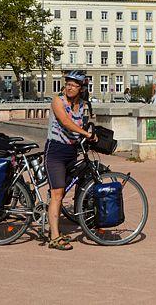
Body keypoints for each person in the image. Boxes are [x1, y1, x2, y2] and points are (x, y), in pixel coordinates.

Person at [45, 70, 97, 251]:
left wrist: (90, 136)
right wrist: (84, 133)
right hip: (56, 151)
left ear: (81, 88)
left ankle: (53, 223)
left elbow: (82, 124)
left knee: (61, 193)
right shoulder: (57, 100)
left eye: (74, 85)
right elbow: (66, 122)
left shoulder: (82, 105)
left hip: (71, 151)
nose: (70, 87)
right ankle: (54, 237)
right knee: (57, 194)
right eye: (68, 84)